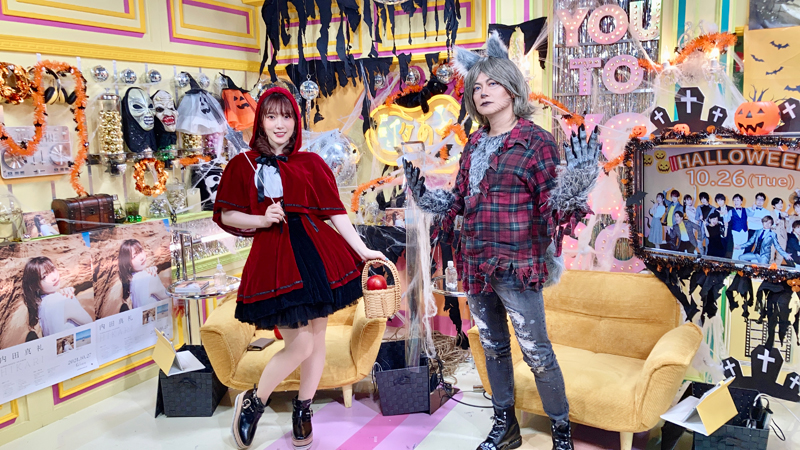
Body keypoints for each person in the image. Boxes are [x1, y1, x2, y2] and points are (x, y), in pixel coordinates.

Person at [404, 32, 600, 450]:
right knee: (493, 348)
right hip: (475, 264)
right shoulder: (475, 142)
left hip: (518, 266)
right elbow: (460, 200)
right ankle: (505, 427)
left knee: (537, 353)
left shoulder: (536, 140)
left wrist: (578, 183)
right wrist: (427, 199)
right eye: (476, 86)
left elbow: (554, 206)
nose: (482, 92)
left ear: (512, 88)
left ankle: (561, 433)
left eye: (492, 83)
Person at [213, 86, 385, 450]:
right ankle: (254, 401)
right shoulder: (243, 164)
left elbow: (335, 211)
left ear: (296, 120)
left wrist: (362, 249)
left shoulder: (311, 163)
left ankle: (303, 410)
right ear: (260, 121)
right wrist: (261, 219)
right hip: (276, 260)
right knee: (302, 344)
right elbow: (227, 214)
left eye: (287, 116)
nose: (280, 124)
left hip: (317, 255)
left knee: (316, 338)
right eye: (271, 116)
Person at [22, 256, 92, 337]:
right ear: (35, 285)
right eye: (44, 276)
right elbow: (90, 324)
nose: (53, 277)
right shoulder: (64, 302)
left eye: (52, 269)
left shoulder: (41, 305)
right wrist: (70, 298)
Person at [118, 239, 169, 310]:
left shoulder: (131, 281)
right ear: (127, 263)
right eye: (134, 256)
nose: (141, 257)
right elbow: (169, 299)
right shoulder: (150, 277)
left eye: (141, 251)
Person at [728, 194, 748, 260]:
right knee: (736, 247)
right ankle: (735, 262)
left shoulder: (746, 210)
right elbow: (726, 220)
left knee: (743, 247)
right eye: (734, 200)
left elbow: (752, 215)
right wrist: (724, 214)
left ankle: (740, 263)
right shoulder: (731, 211)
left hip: (744, 231)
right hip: (736, 231)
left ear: (741, 202)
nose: (736, 202)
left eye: (737, 200)